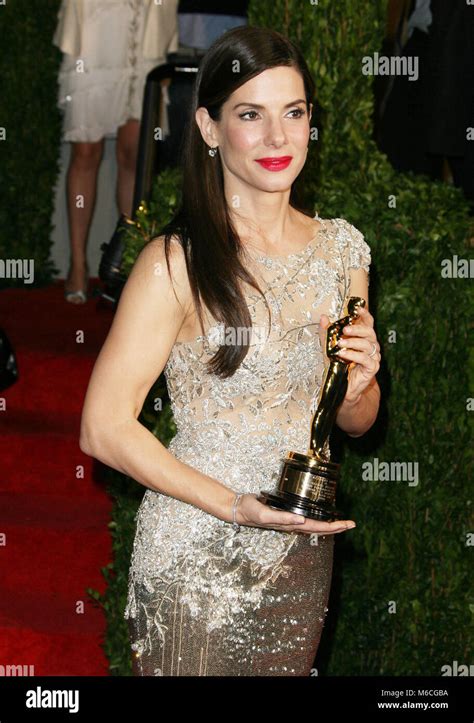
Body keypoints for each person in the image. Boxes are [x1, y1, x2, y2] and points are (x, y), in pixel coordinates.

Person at [80, 26, 381, 676]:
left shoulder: (343, 252)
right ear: (210, 128)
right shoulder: (175, 262)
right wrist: (232, 504)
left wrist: (359, 384)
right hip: (196, 552)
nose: (279, 138)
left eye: (293, 113)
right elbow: (102, 428)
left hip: (299, 556)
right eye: (251, 114)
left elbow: (356, 422)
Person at [53, 0, 179, 303]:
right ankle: (78, 264)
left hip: (142, 17)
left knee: (134, 154)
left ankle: (124, 263)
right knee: (85, 151)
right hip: (96, 26)